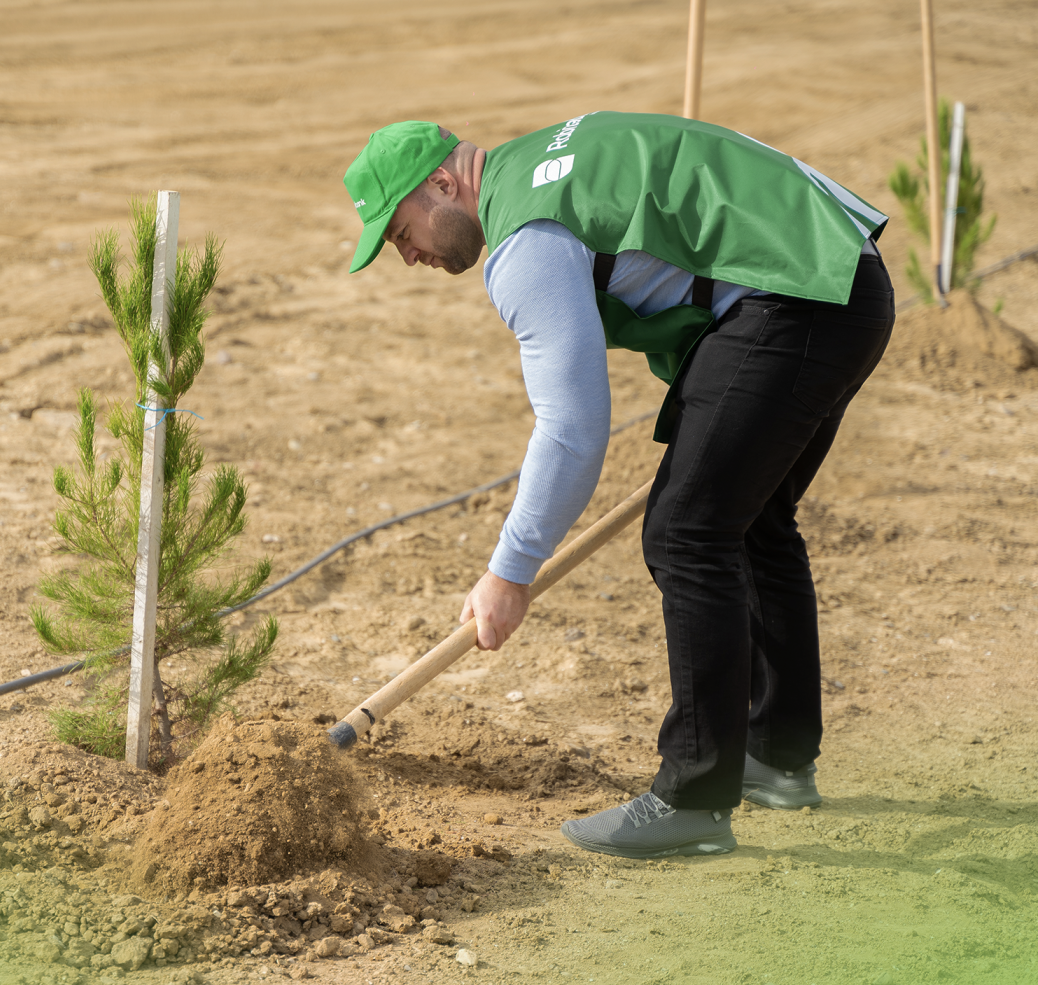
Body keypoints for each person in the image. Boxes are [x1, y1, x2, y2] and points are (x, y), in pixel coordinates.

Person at [343, 113, 894, 859]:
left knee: (685, 532)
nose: (405, 256)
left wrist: (510, 571)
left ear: (442, 183)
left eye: (401, 231)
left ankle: (694, 799)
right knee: (751, 520)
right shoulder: (542, 162)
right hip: (840, 277)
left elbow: (572, 429)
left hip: (796, 297)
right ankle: (777, 756)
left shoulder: (523, 238)